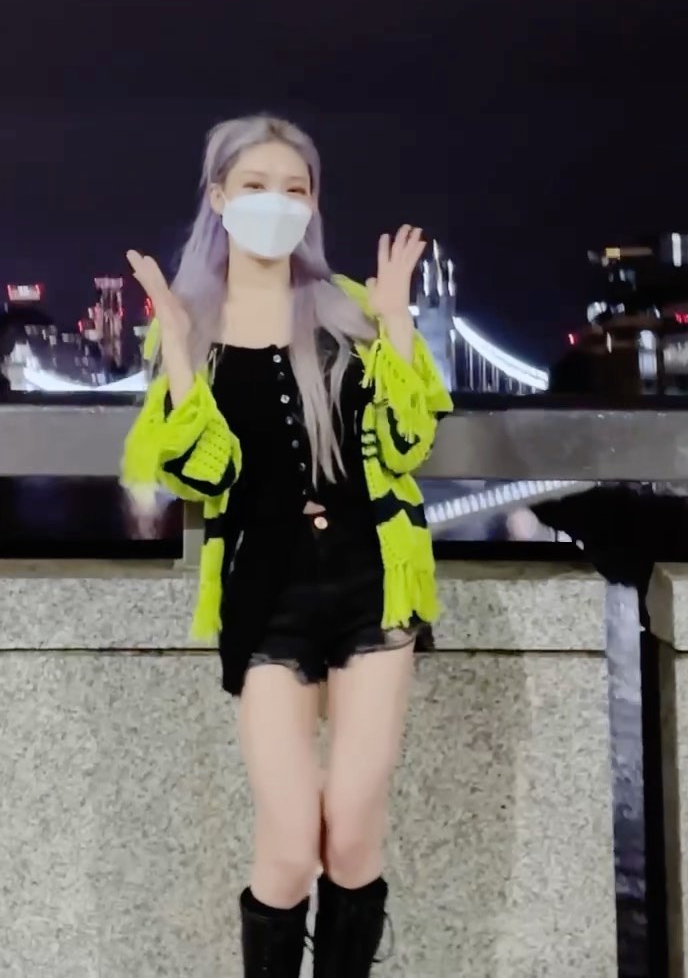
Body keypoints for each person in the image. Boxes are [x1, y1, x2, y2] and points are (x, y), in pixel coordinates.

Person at [121, 114, 452, 977]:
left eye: (295, 189)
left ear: (313, 204)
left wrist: (397, 323)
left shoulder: (346, 309)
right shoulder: (186, 323)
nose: (277, 204)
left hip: (373, 583)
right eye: (257, 186)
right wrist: (181, 354)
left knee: (353, 834)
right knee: (289, 844)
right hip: (264, 596)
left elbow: (407, 443)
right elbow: (202, 474)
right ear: (219, 197)